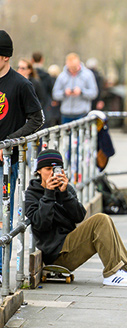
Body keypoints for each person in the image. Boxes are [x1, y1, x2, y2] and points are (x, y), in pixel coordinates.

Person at [25, 149, 127, 287]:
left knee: (105, 220)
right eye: (48, 169)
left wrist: (65, 194)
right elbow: (41, 225)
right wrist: (48, 194)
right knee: (100, 220)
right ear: (38, 171)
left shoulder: (66, 189)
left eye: (56, 169)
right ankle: (112, 273)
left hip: (70, 245)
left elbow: (78, 216)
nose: (52, 173)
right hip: (56, 255)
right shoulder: (31, 194)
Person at [0, 30, 45, 283]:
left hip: (6, 161)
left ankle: (0, 272)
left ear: (5, 57)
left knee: (1, 217)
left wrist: (9, 142)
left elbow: (38, 119)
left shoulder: (21, 85)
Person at [52, 53, 98, 124]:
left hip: (82, 113)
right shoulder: (62, 76)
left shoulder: (88, 75)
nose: (73, 69)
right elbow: (55, 94)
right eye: (70, 67)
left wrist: (81, 92)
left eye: (74, 67)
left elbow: (94, 93)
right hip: (66, 114)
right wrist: (64, 93)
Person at [31, 52, 55, 126]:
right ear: (42, 60)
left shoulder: (30, 77)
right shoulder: (47, 76)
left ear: (32, 60)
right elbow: (51, 90)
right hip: (44, 106)